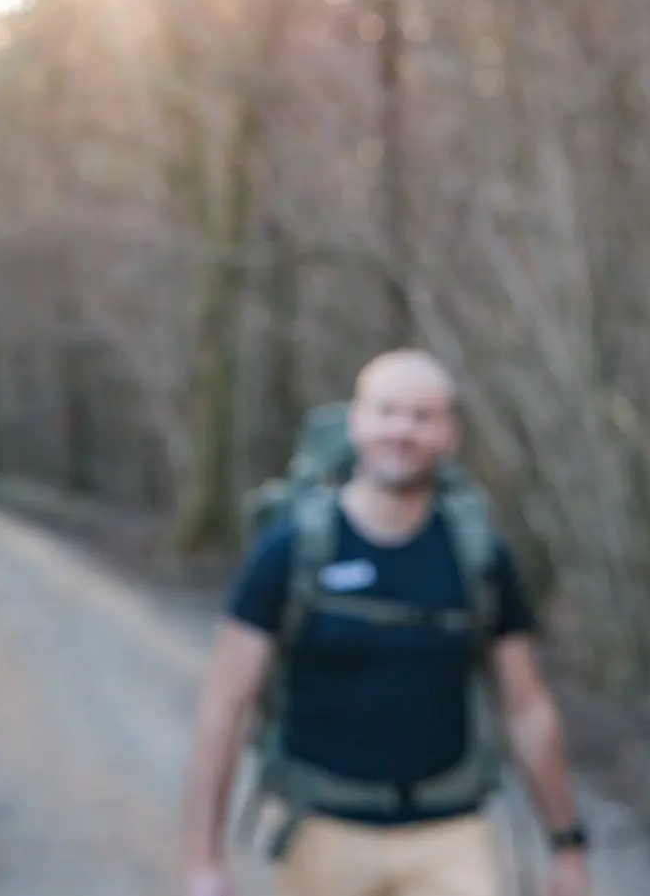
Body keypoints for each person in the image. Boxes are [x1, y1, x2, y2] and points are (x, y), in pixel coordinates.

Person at [179, 349, 593, 896]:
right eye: (387, 411)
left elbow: (526, 707)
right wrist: (203, 859)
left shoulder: (478, 555)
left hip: (452, 832)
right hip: (321, 828)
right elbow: (225, 704)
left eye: (424, 416)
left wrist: (566, 846)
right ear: (356, 422)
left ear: (450, 435)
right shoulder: (292, 548)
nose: (403, 430)